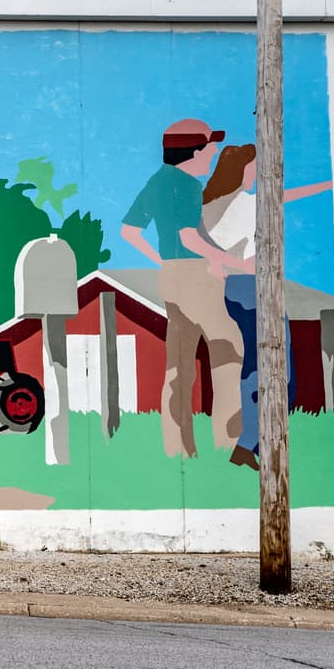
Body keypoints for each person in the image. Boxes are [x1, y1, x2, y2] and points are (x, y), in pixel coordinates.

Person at [121, 119, 249, 458]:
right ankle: (228, 445)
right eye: (210, 146)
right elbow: (188, 236)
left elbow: (130, 231)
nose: (214, 152)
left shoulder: (157, 181)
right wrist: (235, 263)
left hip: (172, 278)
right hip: (195, 277)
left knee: (178, 366)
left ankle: (177, 451)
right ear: (195, 151)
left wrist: (163, 261)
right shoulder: (188, 185)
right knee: (228, 348)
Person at [201, 144, 332, 469]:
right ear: (239, 170)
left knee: (257, 363)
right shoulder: (242, 206)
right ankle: (250, 443)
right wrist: (328, 185)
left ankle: (250, 443)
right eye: (253, 168)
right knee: (277, 368)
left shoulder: (210, 206)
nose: (256, 175)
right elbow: (282, 197)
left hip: (235, 290)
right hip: (253, 288)